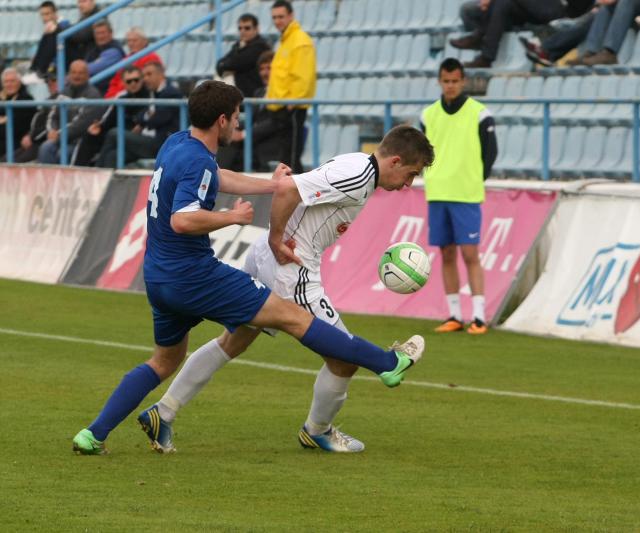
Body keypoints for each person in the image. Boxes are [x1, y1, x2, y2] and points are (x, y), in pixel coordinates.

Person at [71, 81, 427, 455]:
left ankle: (98, 433)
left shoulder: (178, 144)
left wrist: (270, 186)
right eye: (237, 116)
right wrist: (233, 217)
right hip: (195, 275)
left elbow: (217, 177)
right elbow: (182, 220)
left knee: (169, 358)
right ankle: (387, 363)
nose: (239, 123)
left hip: (158, 276)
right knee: (293, 318)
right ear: (222, 119)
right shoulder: (197, 159)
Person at [139, 125, 435, 454]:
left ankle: (163, 412)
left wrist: (274, 241)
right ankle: (320, 428)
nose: (408, 184)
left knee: (233, 340)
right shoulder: (357, 174)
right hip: (293, 270)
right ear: (395, 161)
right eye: (411, 174)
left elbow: (295, 191)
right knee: (342, 360)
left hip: (269, 259)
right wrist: (277, 237)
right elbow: (288, 189)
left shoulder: (359, 166)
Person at [421, 58, 497, 335]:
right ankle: (454, 314)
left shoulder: (479, 113)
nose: (451, 86)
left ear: (463, 81)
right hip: (438, 192)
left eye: (455, 81)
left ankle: (478, 316)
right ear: (440, 81)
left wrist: (474, 179)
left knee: (470, 253)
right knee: (446, 253)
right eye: (446, 81)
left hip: (465, 194)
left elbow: (490, 153)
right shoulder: (428, 115)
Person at [96, 61, 181, 168]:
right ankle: (107, 182)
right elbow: (140, 116)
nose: (145, 78)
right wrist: (146, 117)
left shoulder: (171, 93)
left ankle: (97, 171)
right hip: (147, 139)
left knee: (114, 133)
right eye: (144, 75)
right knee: (113, 156)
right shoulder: (152, 92)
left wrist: (145, 120)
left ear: (161, 74)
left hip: (161, 144)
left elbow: (157, 119)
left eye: (149, 74)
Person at [266, 0, 315, 172]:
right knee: (287, 156)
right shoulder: (286, 41)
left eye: (281, 16)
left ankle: (297, 195)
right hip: (282, 106)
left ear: (291, 16)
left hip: (291, 107)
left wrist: (293, 101)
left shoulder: (299, 41)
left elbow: (303, 75)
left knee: (292, 157)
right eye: (274, 17)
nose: (277, 21)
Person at [454, 0, 573, 68]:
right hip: (527, 8)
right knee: (502, 3)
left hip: (553, 7)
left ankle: (479, 36)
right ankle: (486, 57)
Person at [217, 50, 283, 171]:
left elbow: (274, 123)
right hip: (252, 143)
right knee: (224, 137)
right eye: (262, 69)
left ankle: (216, 177)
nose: (265, 73)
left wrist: (243, 134)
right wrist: (231, 128)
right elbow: (250, 119)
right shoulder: (259, 92)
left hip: (269, 144)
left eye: (269, 68)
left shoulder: (283, 94)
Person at [72, 66, 149, 166]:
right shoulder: (121, 98)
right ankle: (78, 170)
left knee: (113, 138)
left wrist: (141, 124)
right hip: (119, 135)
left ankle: (98, 169)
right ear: (124, 83)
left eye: (136, 80)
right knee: (90, 135)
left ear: (142, 80)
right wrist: (99, 126)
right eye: (129, 81)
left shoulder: (150, 96)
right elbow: (108, 119)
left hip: (138, 136)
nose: (133, 83)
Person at [36, 60, 104, 164]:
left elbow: (81, 124)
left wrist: (58, 134)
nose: (77, 76)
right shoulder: (63, 93)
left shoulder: (94, 96)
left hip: (80, 141)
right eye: (74, 72)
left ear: (87, 75)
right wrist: (51, 131)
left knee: (63, 153)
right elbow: (52, 116)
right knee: (45, 148)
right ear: (69, 74)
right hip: (60, 138)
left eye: (81, 73)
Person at [216, 13, 271, 98]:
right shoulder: (238, 45)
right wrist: (225, 65)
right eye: (240, 28)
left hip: (252, 94)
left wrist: (226, 65)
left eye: (247, 28)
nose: (243, 31)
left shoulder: (261, 46)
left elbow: (236, 63)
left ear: (256, 29)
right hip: (239, 92)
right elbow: (220, 63)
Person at [10, 67, 59, 163]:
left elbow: (51, 126)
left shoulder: (63, 100)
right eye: (47, 80)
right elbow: (38, 122)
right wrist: (28, 135)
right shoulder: (49, 100)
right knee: (5, 162)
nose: (49, 83)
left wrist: (32, 137)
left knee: (15, 165)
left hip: (42, 142)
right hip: (33, 141)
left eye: (53, 80)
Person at [104, 27, 162, 98]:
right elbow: (115, 81)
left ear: (144, 42)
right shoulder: (126, 59)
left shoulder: (151, 58)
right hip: (119, 96)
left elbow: (144, 83)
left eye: (134, 41)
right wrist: (110, 95)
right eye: (129, 41)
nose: (131, 44)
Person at [0, 68, 36, 161]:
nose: (9, 84)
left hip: (16, 142)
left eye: (12, 81)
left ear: (19, 82)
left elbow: (17, 128)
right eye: (6, 82)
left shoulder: (26, 100)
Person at [30, 1, 71, 78]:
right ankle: (37, 69)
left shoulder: (65, 25)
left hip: (64, 69)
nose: (45, 18)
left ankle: (39, 70)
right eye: (42, 15)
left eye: (47, 14)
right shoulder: (48, 30)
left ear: (55, 14)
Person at [84, 20, 125, 96]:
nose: (100, 36)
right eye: (97, 33)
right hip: (94, 91)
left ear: (111, 33)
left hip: (108, 92)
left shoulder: (115, 50)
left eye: (103, 33)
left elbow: (90, 69)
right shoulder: (93, 49)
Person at [66, 0, 99, 65]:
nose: (80, 5)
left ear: (93, 2)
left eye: (83, 1)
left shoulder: (99, 16)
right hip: (83, 56)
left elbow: (81, 36)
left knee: (58, 32)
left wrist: (61, 28)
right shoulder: (85, 16)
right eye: (79, 2)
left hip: (90, 58)